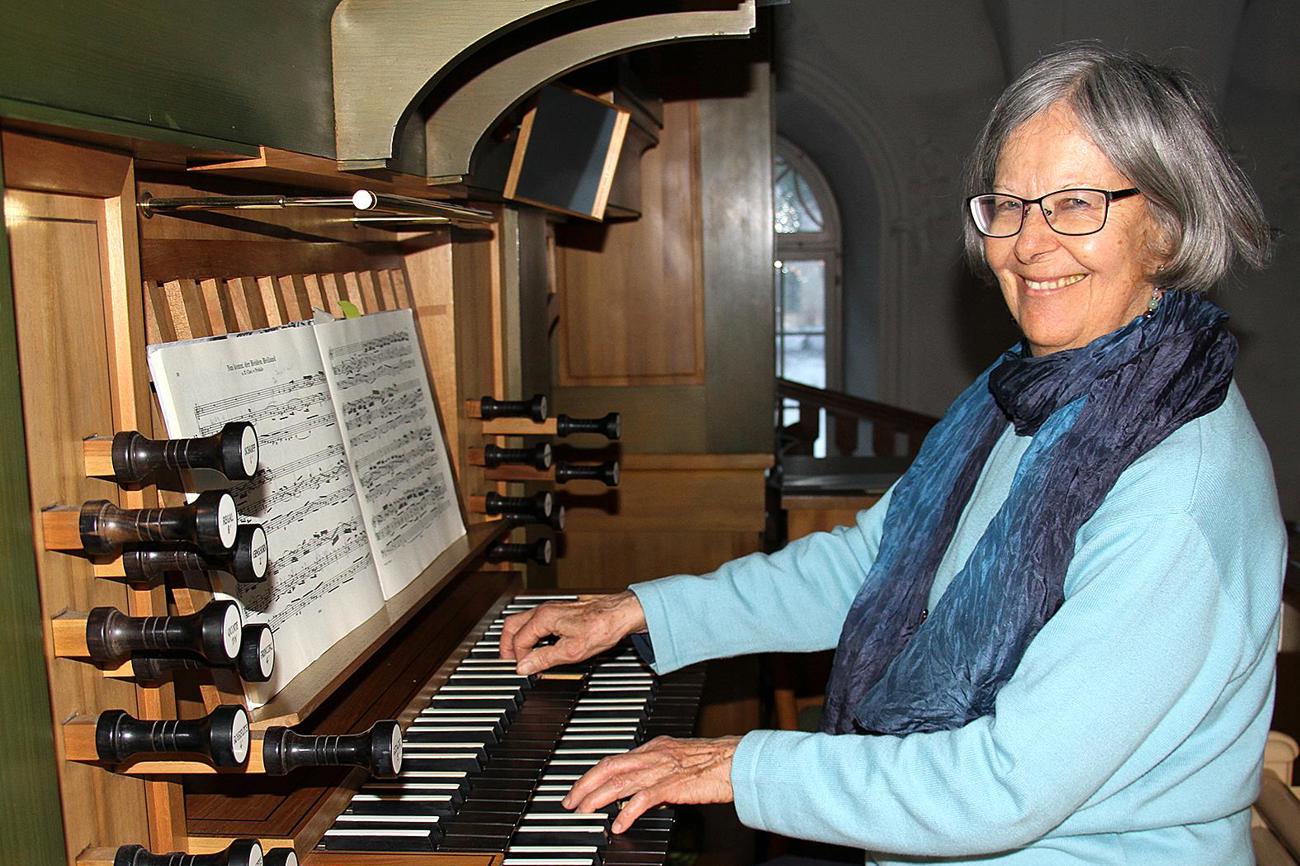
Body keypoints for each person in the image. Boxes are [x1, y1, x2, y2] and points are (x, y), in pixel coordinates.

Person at [499, 42, 1285, 865]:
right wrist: (643, 609)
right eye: (1010, 205)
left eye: (1077, 204)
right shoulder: (1026, 392)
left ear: (1165, 225)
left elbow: (1001, 788)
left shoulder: (1177, 493)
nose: (1028, 243)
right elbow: (877, 566)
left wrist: (740, 763)